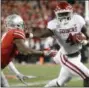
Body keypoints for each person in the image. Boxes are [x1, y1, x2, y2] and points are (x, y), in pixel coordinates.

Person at [31, 2, 89, 87]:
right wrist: (31, 34)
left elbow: (86, 33)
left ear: (71, 13)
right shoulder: (54, 24)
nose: (64, 17)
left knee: (60, 82)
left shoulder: (78, 19)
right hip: (66, 57)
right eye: (61, 14)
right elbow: (44, 34)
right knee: (87, 76)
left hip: (77, 56)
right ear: (56, 14)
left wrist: (85, 40)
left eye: (66, 13)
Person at [1, 14, 50, 87]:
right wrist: (43, 53)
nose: (22, 27)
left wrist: (17, 73)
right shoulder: (15, 33)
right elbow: (25, 51)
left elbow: (6, 59)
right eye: (20, 25)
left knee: (5, 84)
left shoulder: (6, 35)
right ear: (16, 26)